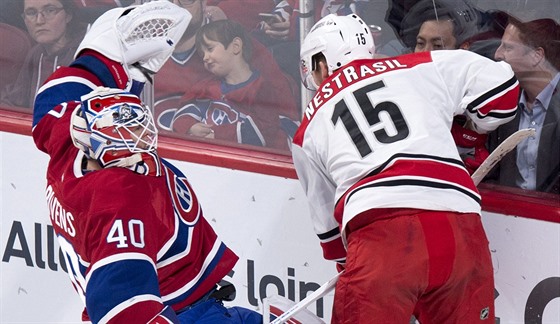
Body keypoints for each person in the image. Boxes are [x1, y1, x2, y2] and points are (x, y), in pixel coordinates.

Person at [32, 2, 262, 323]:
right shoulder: (121, 190)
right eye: (123, 129)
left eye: (135, 126)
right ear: (92, 137)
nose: (138, 136)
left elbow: (55, 108)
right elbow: (122, 307)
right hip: (185, 313)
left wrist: (106, 67)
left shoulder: (70, 151)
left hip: (194, 303)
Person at [292, 13, 520, 323]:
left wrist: (351, 266)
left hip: (382, 237)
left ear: (320, 64)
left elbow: (332, 237)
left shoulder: (307, 128)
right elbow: (504, 90)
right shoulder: (419, 65)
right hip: (459, 227)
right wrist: (476, 122)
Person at [154, 0, 300, 144]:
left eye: (186, 1)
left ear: (204, 4)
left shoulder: (246, 55)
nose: (174, 7)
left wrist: (221, 137)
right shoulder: (141, 51)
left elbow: (287, 129)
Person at [489, 17, 560, 193]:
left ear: (537, 55)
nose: (497, 54)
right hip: (513, 213)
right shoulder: (505, 104)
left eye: (508, 47)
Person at [0, 0, 86, 109]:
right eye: (31, 13)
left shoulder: (87, 52)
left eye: (50, 10)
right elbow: (15, 101)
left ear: (68, 15)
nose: (39, 20)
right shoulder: (36, 53)